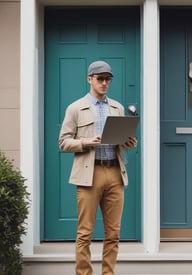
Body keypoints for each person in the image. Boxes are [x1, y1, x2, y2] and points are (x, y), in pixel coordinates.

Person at [59, 60, 137, 275]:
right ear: (90, 79)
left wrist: (128, 143)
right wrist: (85, 142)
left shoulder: (117, 107)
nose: (104, 83)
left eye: (107, 79)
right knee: (85, 233)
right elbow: (63, 142)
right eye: (100, 79)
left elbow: (122, 141)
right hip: (88, 174)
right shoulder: (75, 108)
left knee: (113, 233)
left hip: (115, 173)